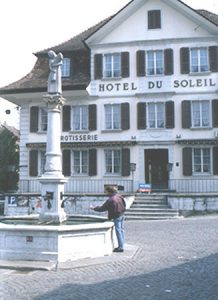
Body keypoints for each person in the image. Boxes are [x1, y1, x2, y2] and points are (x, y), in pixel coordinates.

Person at [90, 186, 126, 252]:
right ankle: (122, 244)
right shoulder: (119, 196)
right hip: (122, 214)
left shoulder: (111, 200)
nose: (105, 193)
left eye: (106, 191)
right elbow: (124, 204)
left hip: (116, 216)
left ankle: (121, 247)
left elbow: (103, 208)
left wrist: (94, 208)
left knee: (118, 231)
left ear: (109, 192)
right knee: (121, 230)